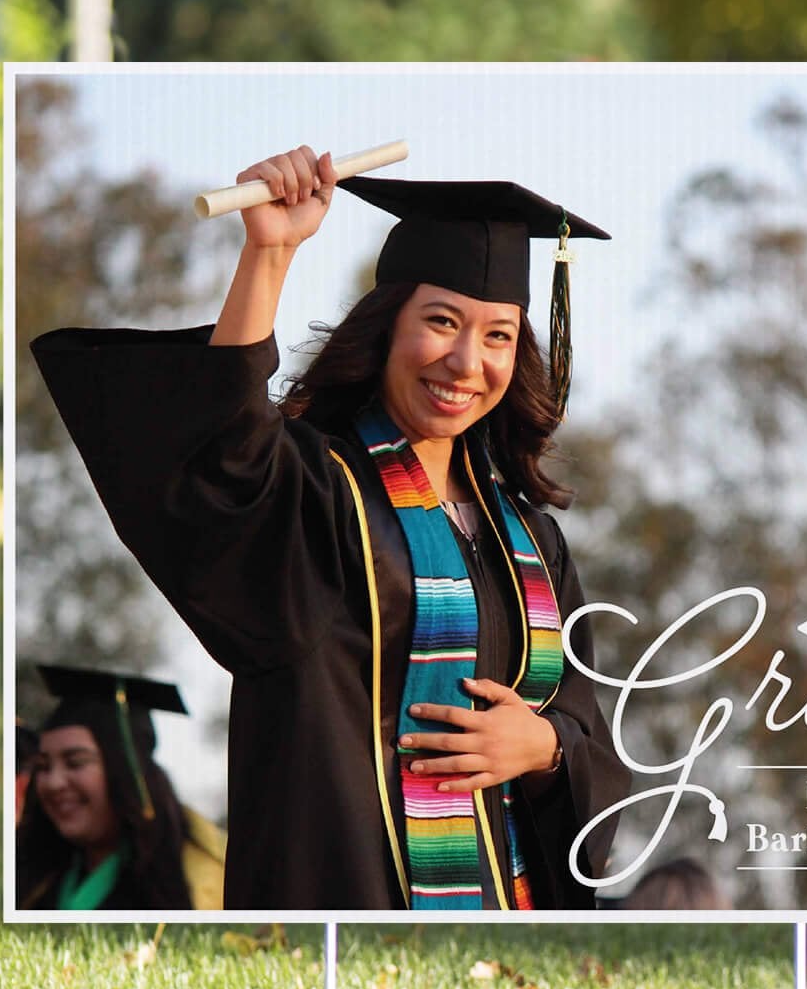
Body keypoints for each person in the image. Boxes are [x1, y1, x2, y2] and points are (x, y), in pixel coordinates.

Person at [31, 146, 629, 911]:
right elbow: (223, 459)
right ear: (384, 329)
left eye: (498, 336)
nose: (465, 361)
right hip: (347, 887)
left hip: (511, 906)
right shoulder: (318, 488)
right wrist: (270, 253)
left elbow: (586, 727)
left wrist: (544, 749)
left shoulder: (531, 542)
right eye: (440, 322)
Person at [14, 664, 226, 911]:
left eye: (75, 763)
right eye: (43, 766)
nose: (53, 782)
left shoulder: (206, 879)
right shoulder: (36, 871)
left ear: (126, 772)